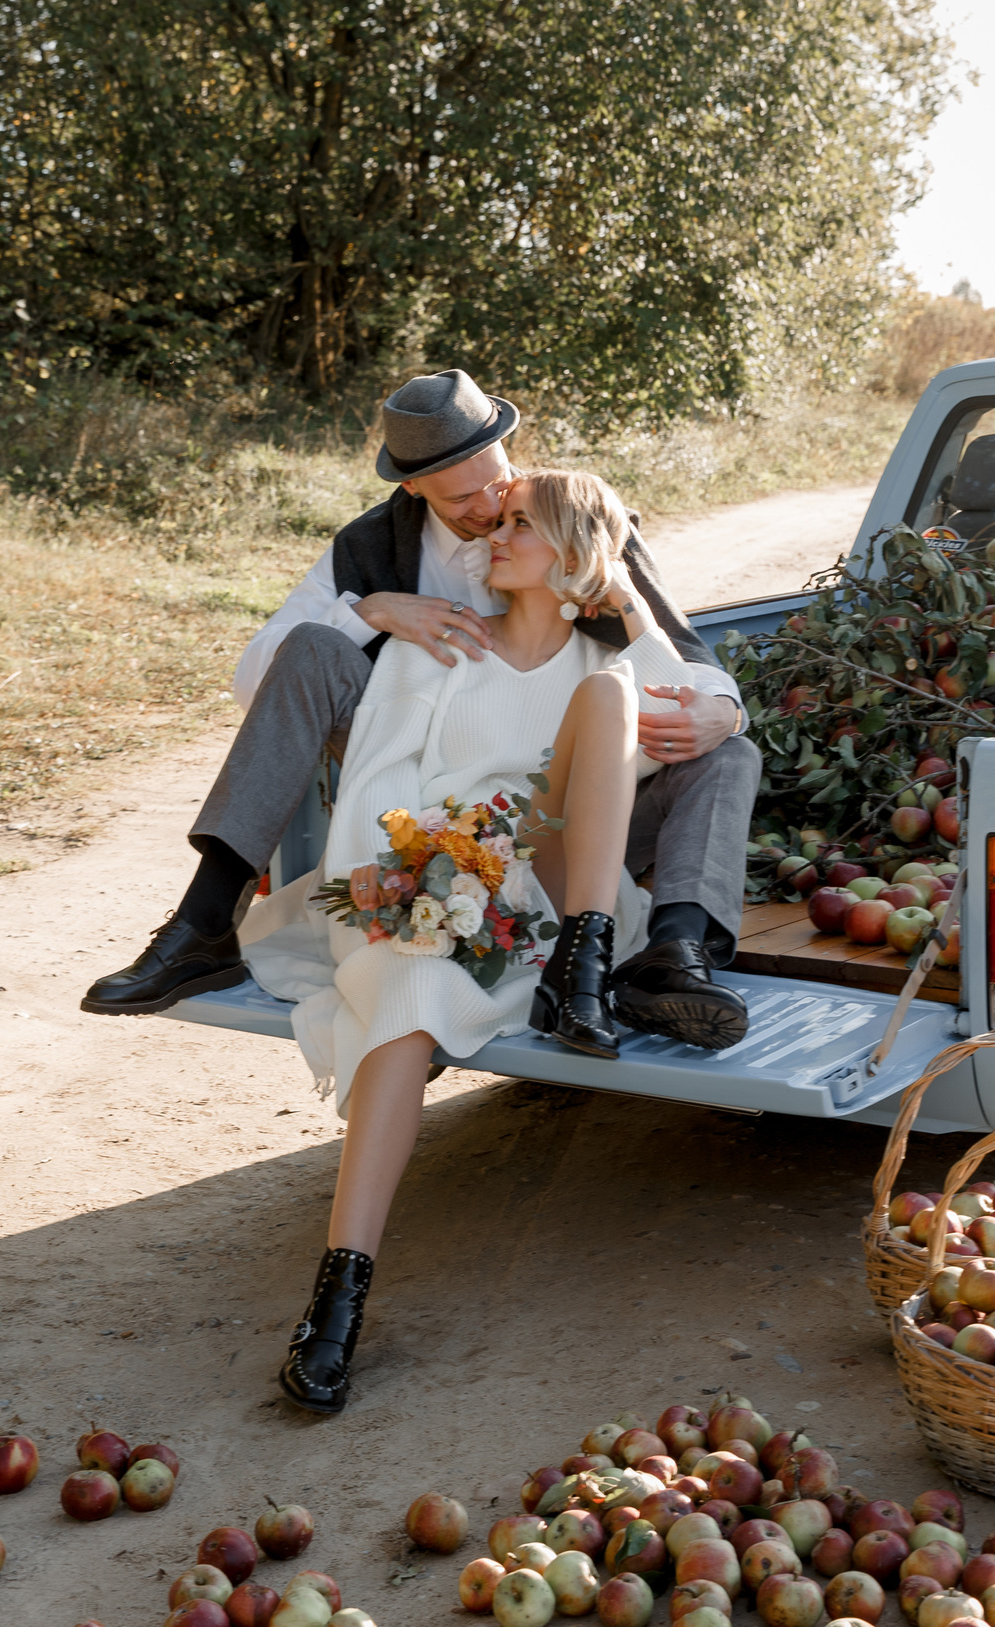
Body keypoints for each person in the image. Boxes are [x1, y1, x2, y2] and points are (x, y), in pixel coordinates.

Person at [81, 368, 759, 1048]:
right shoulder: (369, 547)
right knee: (315, 645)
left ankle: (672, 960)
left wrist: (722, 713)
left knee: (730, 751)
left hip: (569, 806)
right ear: (412, 486)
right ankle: (203, 924)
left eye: (497, 482)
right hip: (431, 787)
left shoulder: (568, 516)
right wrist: (370, 611)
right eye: (465, 498)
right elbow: (257, 676)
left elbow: (690, 658)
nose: (492, 509)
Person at [235, 468, 697, 1412]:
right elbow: (371, 791)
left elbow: (689, 699)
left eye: (520, 524)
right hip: (438, 883)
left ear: (571, 552)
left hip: (555, 888)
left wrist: (631, 616)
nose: (494, 534)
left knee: (614, 698)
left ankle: (586, 964)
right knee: (407, 999)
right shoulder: (441, 648)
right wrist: (433, 875)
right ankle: (339, 1297)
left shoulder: (599, 664)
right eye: (499, 521)